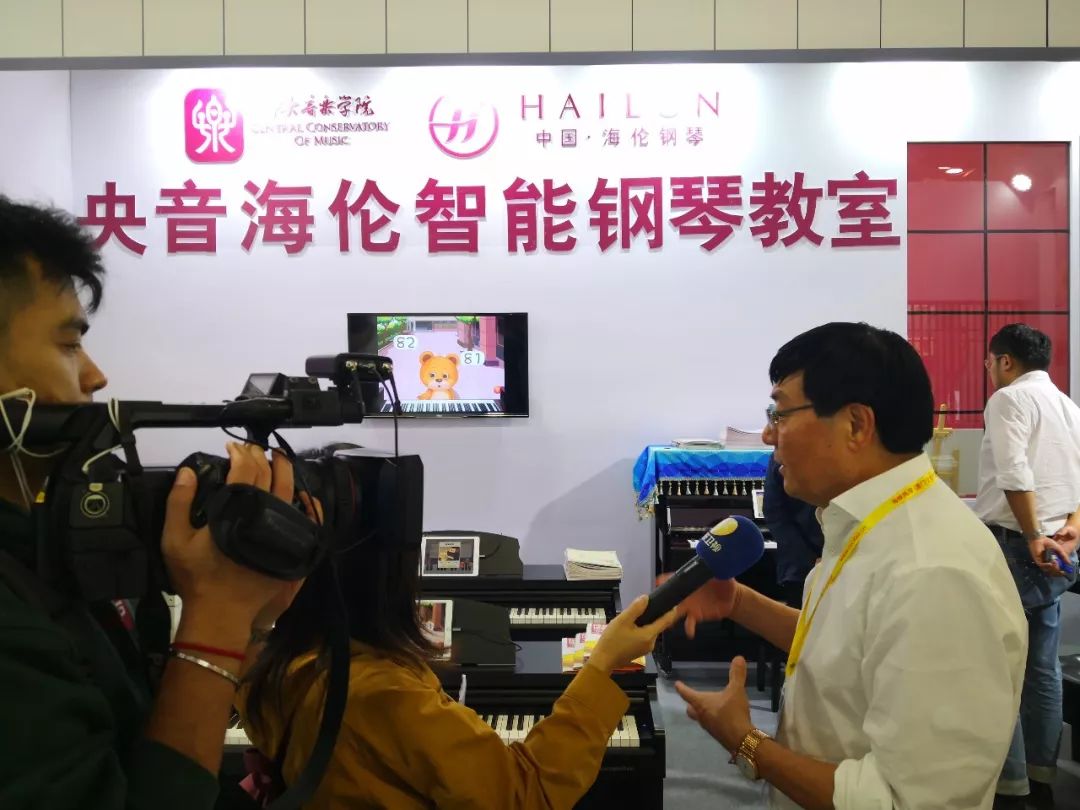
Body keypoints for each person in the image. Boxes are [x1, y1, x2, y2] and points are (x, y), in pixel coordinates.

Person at [0, 195, 303, 809]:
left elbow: (137, 733)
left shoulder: (37, 546)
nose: (95, 377)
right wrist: (216, 617)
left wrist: (250, 615)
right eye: (68, 345)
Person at [671, 322, 1027, 810]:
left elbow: (904, 801)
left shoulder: (933, 571)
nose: (769, 434)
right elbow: (844, 649)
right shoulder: (870, 523)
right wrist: (738, 601)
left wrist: (747, 742)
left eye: (780, 413)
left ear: (856, 425)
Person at [239, 480, 681, 810]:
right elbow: (524, 793)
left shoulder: (268, 663)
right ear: (388, 578)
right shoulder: (382, 694)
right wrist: (602, 663)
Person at [974, 323, 1080, 809]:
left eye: (989, 361)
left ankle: (1011, 787)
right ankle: (1042, 778)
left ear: (1006, 361)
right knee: (1041, 668)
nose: (988, 369)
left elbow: (1015, 473)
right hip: (1061, 549)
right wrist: (1072, 527)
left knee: (999, 669)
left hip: (1018, 545)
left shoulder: (1008, 400)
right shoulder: (1068, 407)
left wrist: (1034, 533)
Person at [762, 454, 823, 609]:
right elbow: (774, 512)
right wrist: (809, 560)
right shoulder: (779, 456)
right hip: (799, 566)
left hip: (845, 558)